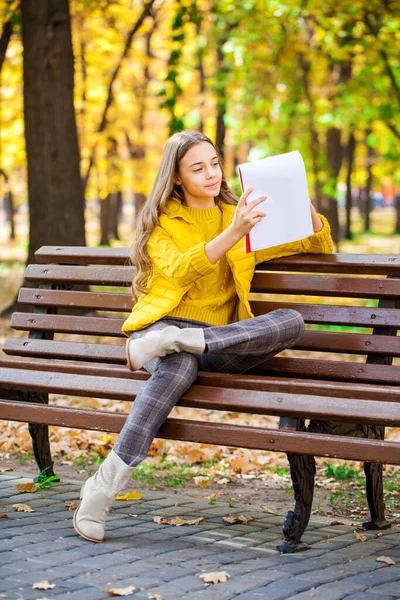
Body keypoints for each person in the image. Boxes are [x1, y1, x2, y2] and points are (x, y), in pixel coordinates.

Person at [73, 130, 334, 542]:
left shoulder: (241, 211)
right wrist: (235, 230)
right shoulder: (164, 223)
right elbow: (179, 269)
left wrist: (302, 205)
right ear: (176, 177)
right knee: (175, 370)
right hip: (162, 327)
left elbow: (313, 242)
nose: (211, 174)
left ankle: (188, 342)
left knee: (291, 322)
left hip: (215, 341)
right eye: (198, 168)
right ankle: (102, 489)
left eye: (214, 163)